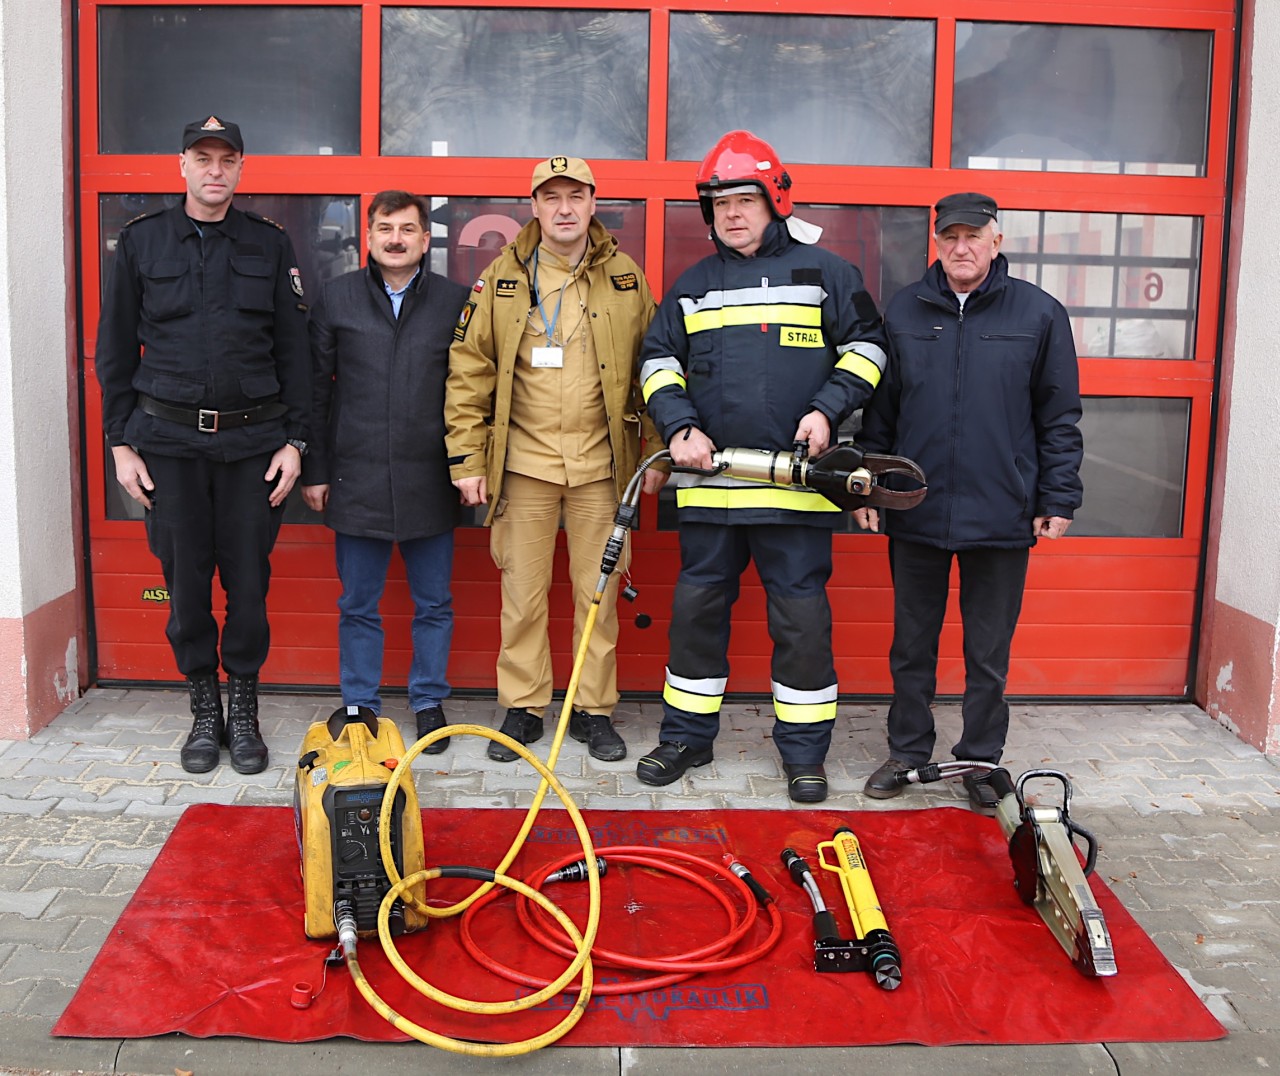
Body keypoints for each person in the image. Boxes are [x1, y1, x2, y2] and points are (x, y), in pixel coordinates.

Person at [635, 130, 889, 804]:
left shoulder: (828, 274)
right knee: (695, 617)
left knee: (801, 626)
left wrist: (829, 411)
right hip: (711, 491)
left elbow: (869, 349)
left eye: (745, 199)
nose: (732, 213)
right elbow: (657, 362)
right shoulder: (692, 286)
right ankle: (685, 739)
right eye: (720, 203)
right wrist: (680, 425)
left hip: (796, 492)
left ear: (775, 200)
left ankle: (804, 756)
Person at [95, 115, 311, 774]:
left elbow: (295, 351)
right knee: (184, 587)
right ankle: (203, 711)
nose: (215, 170)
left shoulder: (270, 245)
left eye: (227, 159)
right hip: (168, 445)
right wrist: (119, 443)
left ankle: (243, 712)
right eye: (203, 157)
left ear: (242, 168)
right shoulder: (141, 243)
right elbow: (113, 348)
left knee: (248, 585)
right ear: (181, 165)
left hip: (252, 446)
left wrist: (296, 440)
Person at [855, 192, 1083, 814]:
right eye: (950, 236)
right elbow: (881, 410)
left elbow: (1058, 416)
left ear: (996, 240)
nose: (961, 247)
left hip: (1002, 511)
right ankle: (907, 752)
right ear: (936, 241)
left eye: (974, 236)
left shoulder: (1038, 313)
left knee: (988, 651)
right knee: (912, 645)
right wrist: (870, 484)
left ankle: (982, 758)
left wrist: (1057, 496)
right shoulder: (904, 310)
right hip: (916, 508)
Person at [444, 156, 660, 763]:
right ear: (533, 206)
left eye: (576, 196)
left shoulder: (625, 277)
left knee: (599, 594)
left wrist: (654, 455)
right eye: (551, 197)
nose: (564, 208)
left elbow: (656, 369)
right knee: (523, 593)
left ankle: (593, 711)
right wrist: (467, 460)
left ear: (594, 202)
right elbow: (469, 370)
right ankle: (523, 707)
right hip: (524, 466)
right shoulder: (502, 278)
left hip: (601, 467)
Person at [302, 191, 469, 751]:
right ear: (368, 237)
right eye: (384, 228)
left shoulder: (455, 302)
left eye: (407, 229)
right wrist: (316, 470)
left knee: (435, 603)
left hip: (431, 478)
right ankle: (360, 705)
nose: (395, 238)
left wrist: (468, 466)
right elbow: (314, 392)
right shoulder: (336, 298)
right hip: (356, 475)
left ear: (426, 239)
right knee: (357, 603)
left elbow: (472, 394)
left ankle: (428, 700)